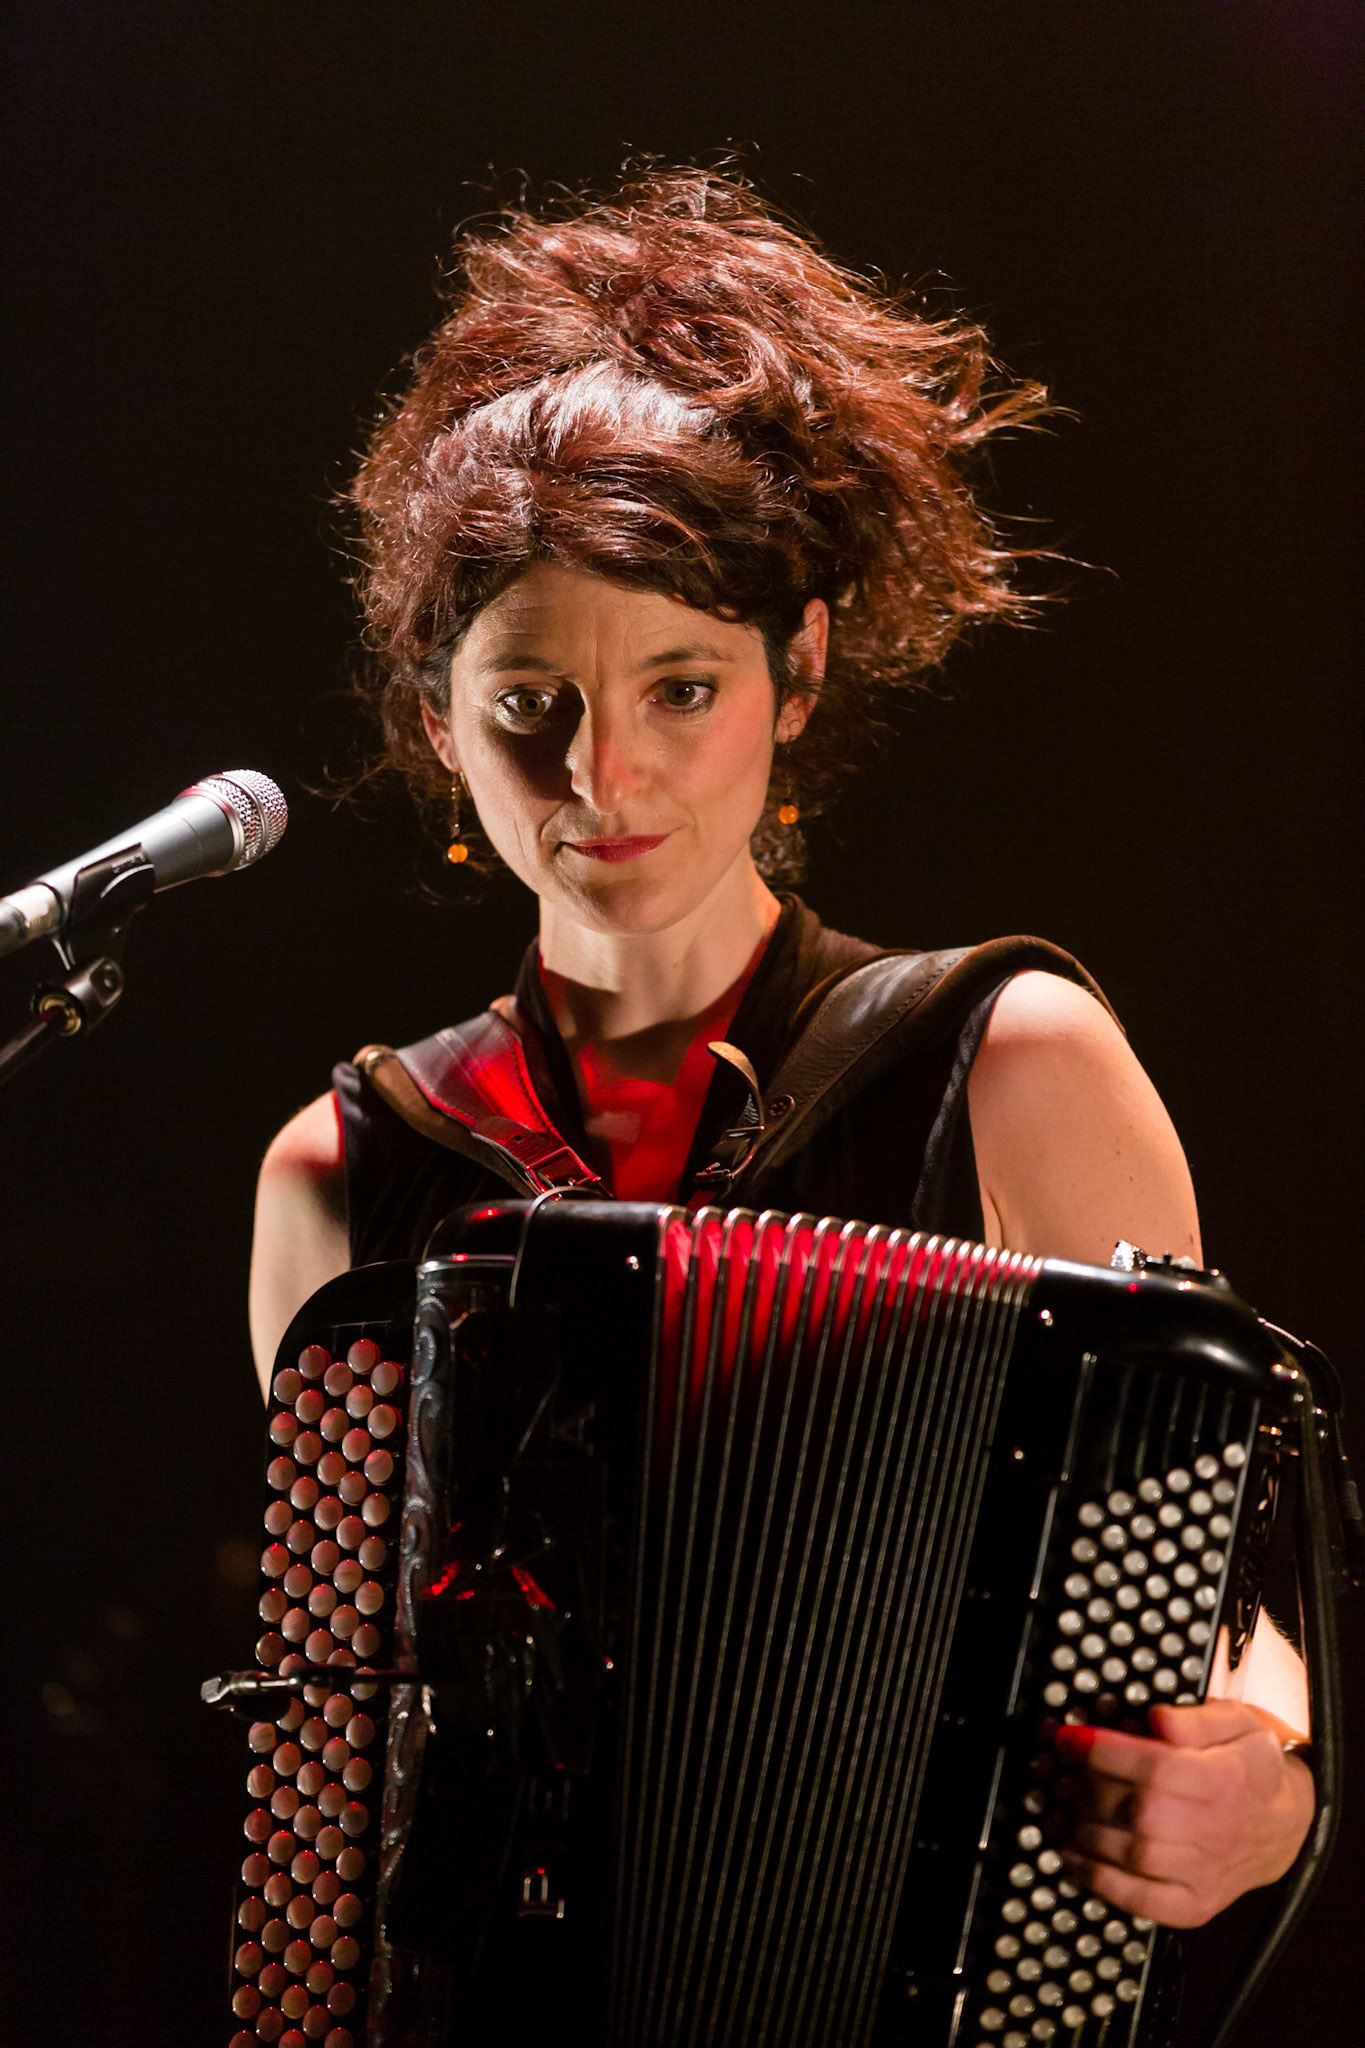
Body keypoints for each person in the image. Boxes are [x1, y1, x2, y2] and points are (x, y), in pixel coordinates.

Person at [248, 170, 1313, 1955]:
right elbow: (342, 1741)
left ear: (795, 669)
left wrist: (1266, 1775)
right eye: (529, 703)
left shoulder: (1010, 1064)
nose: (605, 776)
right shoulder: (344, 1169)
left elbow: (1215, 1598)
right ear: (437, 718)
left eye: (681, 685)